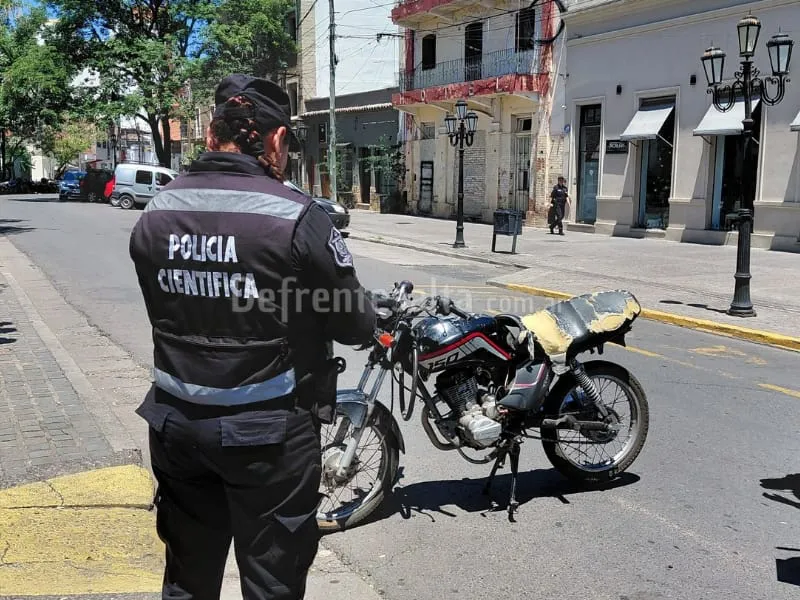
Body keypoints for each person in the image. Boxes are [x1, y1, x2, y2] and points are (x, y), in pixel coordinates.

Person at [129, 74, 377, 600]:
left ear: (213, 131)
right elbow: (355, 323)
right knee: (272, 584)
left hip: (175, 425)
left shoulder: (156, 210)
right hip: (267, 435)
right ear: (277, 139)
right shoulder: (295, 214)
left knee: (186, 578)